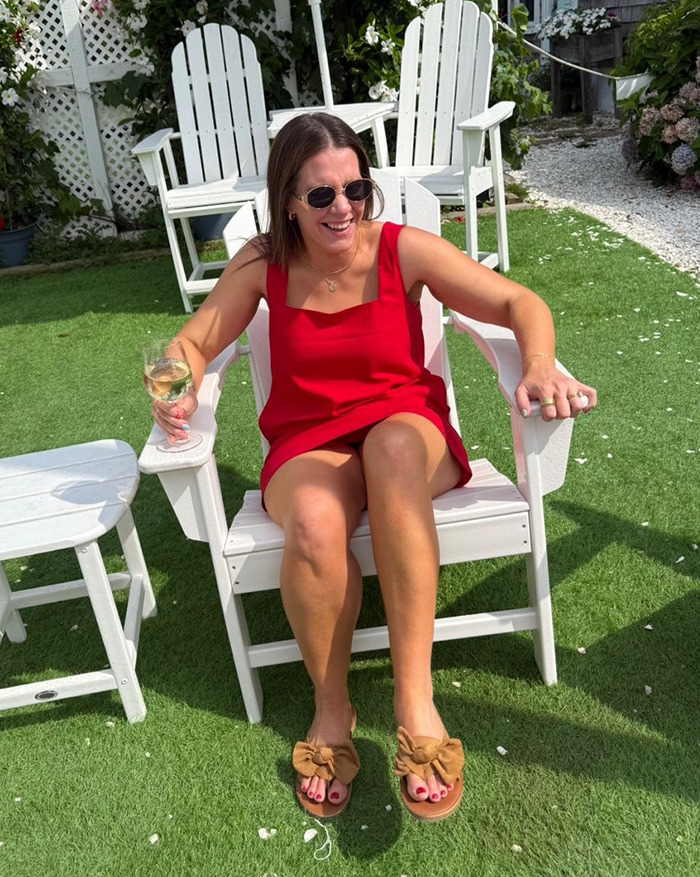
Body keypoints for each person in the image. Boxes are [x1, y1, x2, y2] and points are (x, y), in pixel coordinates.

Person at [150, 112, 597, 822]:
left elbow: (518, 301)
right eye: (320, 195)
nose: (343, 207)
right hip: (310, 441)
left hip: (406, 431)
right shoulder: (262, 264)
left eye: (354, 188)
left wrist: (539, 363)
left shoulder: (401, 249)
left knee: (389, 449)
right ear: (288, 199)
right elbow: (194, 341)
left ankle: (414, 700)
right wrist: (172, 386)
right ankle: (332, 710)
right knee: (317, 521)